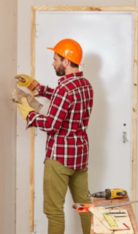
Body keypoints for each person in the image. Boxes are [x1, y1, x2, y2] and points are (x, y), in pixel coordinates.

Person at [14, 39, 94, 234]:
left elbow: (51, 124)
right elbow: (62, 98)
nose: (53, 63)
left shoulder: (65, 89)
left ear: (66, 62)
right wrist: (38, 88)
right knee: (84, 206)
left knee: (54, 211)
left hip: (59, 160)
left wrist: (29, 113)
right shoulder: (85, 84)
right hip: (79, 157)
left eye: (55, 59)